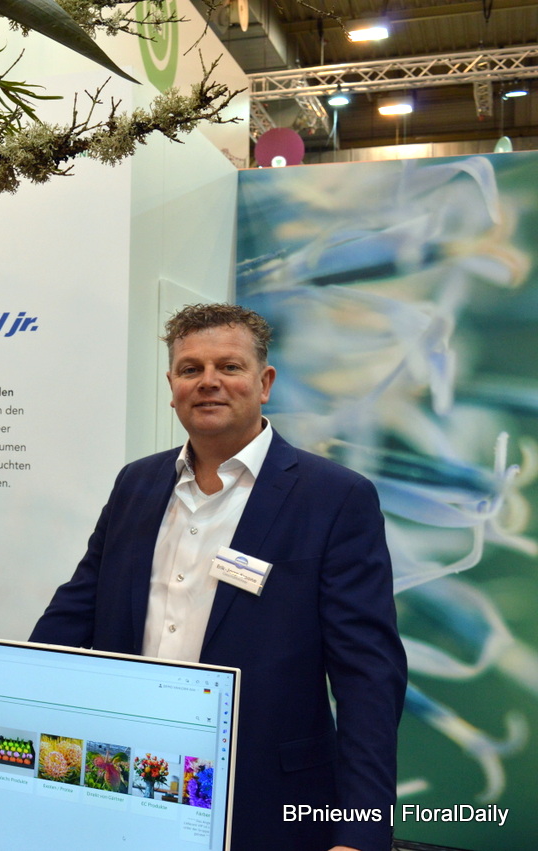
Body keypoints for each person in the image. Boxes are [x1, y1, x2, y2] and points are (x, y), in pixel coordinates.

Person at [30, 303, 406, 851]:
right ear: (172, 386)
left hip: (264, 801)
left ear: (264, 383)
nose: (209, 382)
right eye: (191, 369)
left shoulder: (335, 497)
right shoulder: (136, 483)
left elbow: (368, 678)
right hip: (125, 782)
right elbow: (72, 615)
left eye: (229, 367)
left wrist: (361, 832)